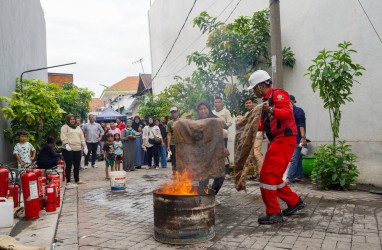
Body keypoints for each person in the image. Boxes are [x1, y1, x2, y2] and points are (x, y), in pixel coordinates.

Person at [247, 70, 305, 224]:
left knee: (266, 175)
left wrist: (271, 109)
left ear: (260, 86)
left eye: (254, 88)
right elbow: (262, 125)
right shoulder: (265, 102)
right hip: (278, 141)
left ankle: (273, 213)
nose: (253, 91)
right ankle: (294, 202)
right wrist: (248, 126)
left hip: (284, 140)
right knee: (274, 177)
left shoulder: (278, 95)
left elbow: (286, 113)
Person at [197, 101, 227, 206]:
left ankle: (212, 196)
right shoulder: (195, 123)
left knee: (220, 177)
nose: (203, 111)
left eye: (205, 108)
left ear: (209, 109)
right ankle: (203, 199)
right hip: (202, 155)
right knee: (204, 179)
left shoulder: (215, 119)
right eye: (200, 109)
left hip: (216, 153)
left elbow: (225, 128)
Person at [61, 114, 87, 186]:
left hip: (78, 148)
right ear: (68, 120)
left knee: (76, 165)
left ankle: (77, 179)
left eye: (73, 119)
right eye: (71, 119)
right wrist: (66, 144)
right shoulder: (65, 127)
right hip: (68, 149)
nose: (72, 120)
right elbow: (63, 136)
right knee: (69, 165)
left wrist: (85, 146)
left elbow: (82, 137)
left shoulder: (78, 128)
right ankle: (68, 181)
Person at [286, 95, 307, 183]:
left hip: (299, 138)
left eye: (291, 101)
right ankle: (300, 176)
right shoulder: (287, 112)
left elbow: (301, 124)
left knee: (294, 158)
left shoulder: (298, 110)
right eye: (287, 101)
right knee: (297, 158)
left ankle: (289, 177)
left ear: (294, 101)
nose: (289, 102)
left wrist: (303, 137)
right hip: (291, 138)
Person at [243, 97, 264, 179]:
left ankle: (262, 174)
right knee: (252, 155)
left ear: (253, 103)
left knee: (257, 153)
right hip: (250, 136)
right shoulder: (246, 114)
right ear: (245, 105)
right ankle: (256, 173)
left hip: (258, 134)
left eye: (249, 102)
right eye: (246, 103)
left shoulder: (257, 111)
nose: (248, 104)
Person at [212, 96, 233, 179]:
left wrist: (223, 126)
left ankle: (227, 172)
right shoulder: (212, 112)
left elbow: (230, 122)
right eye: (215, 102)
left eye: (219, 102)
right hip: (213, 136)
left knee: (224, 152)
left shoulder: (226, 112)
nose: (217, 103)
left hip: (223, 135)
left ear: (222, 103)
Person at [167, 107, 180, 174]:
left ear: (178, 112)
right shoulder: (169, 123)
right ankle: (174, 172)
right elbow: (169, 134)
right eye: (172, 112)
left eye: (175, 112)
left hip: (181, 143)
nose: (174, 114)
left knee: (181, 158)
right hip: (173, 143)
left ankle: (182, 172)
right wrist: (168, 145)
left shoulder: (182, 121)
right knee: (173, 158)